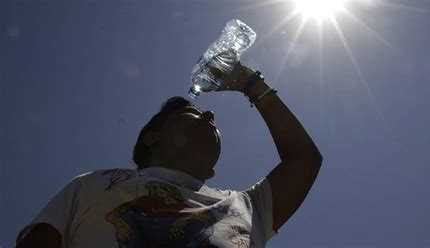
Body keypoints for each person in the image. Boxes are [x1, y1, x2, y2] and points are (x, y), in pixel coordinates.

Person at [16, 62, 323, 248]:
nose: (211, 113)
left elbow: (304, 159)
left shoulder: (245, 206)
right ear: (153, 137)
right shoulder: (94, 184)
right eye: (192, 112)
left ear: (210, 173)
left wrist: (251, 84)